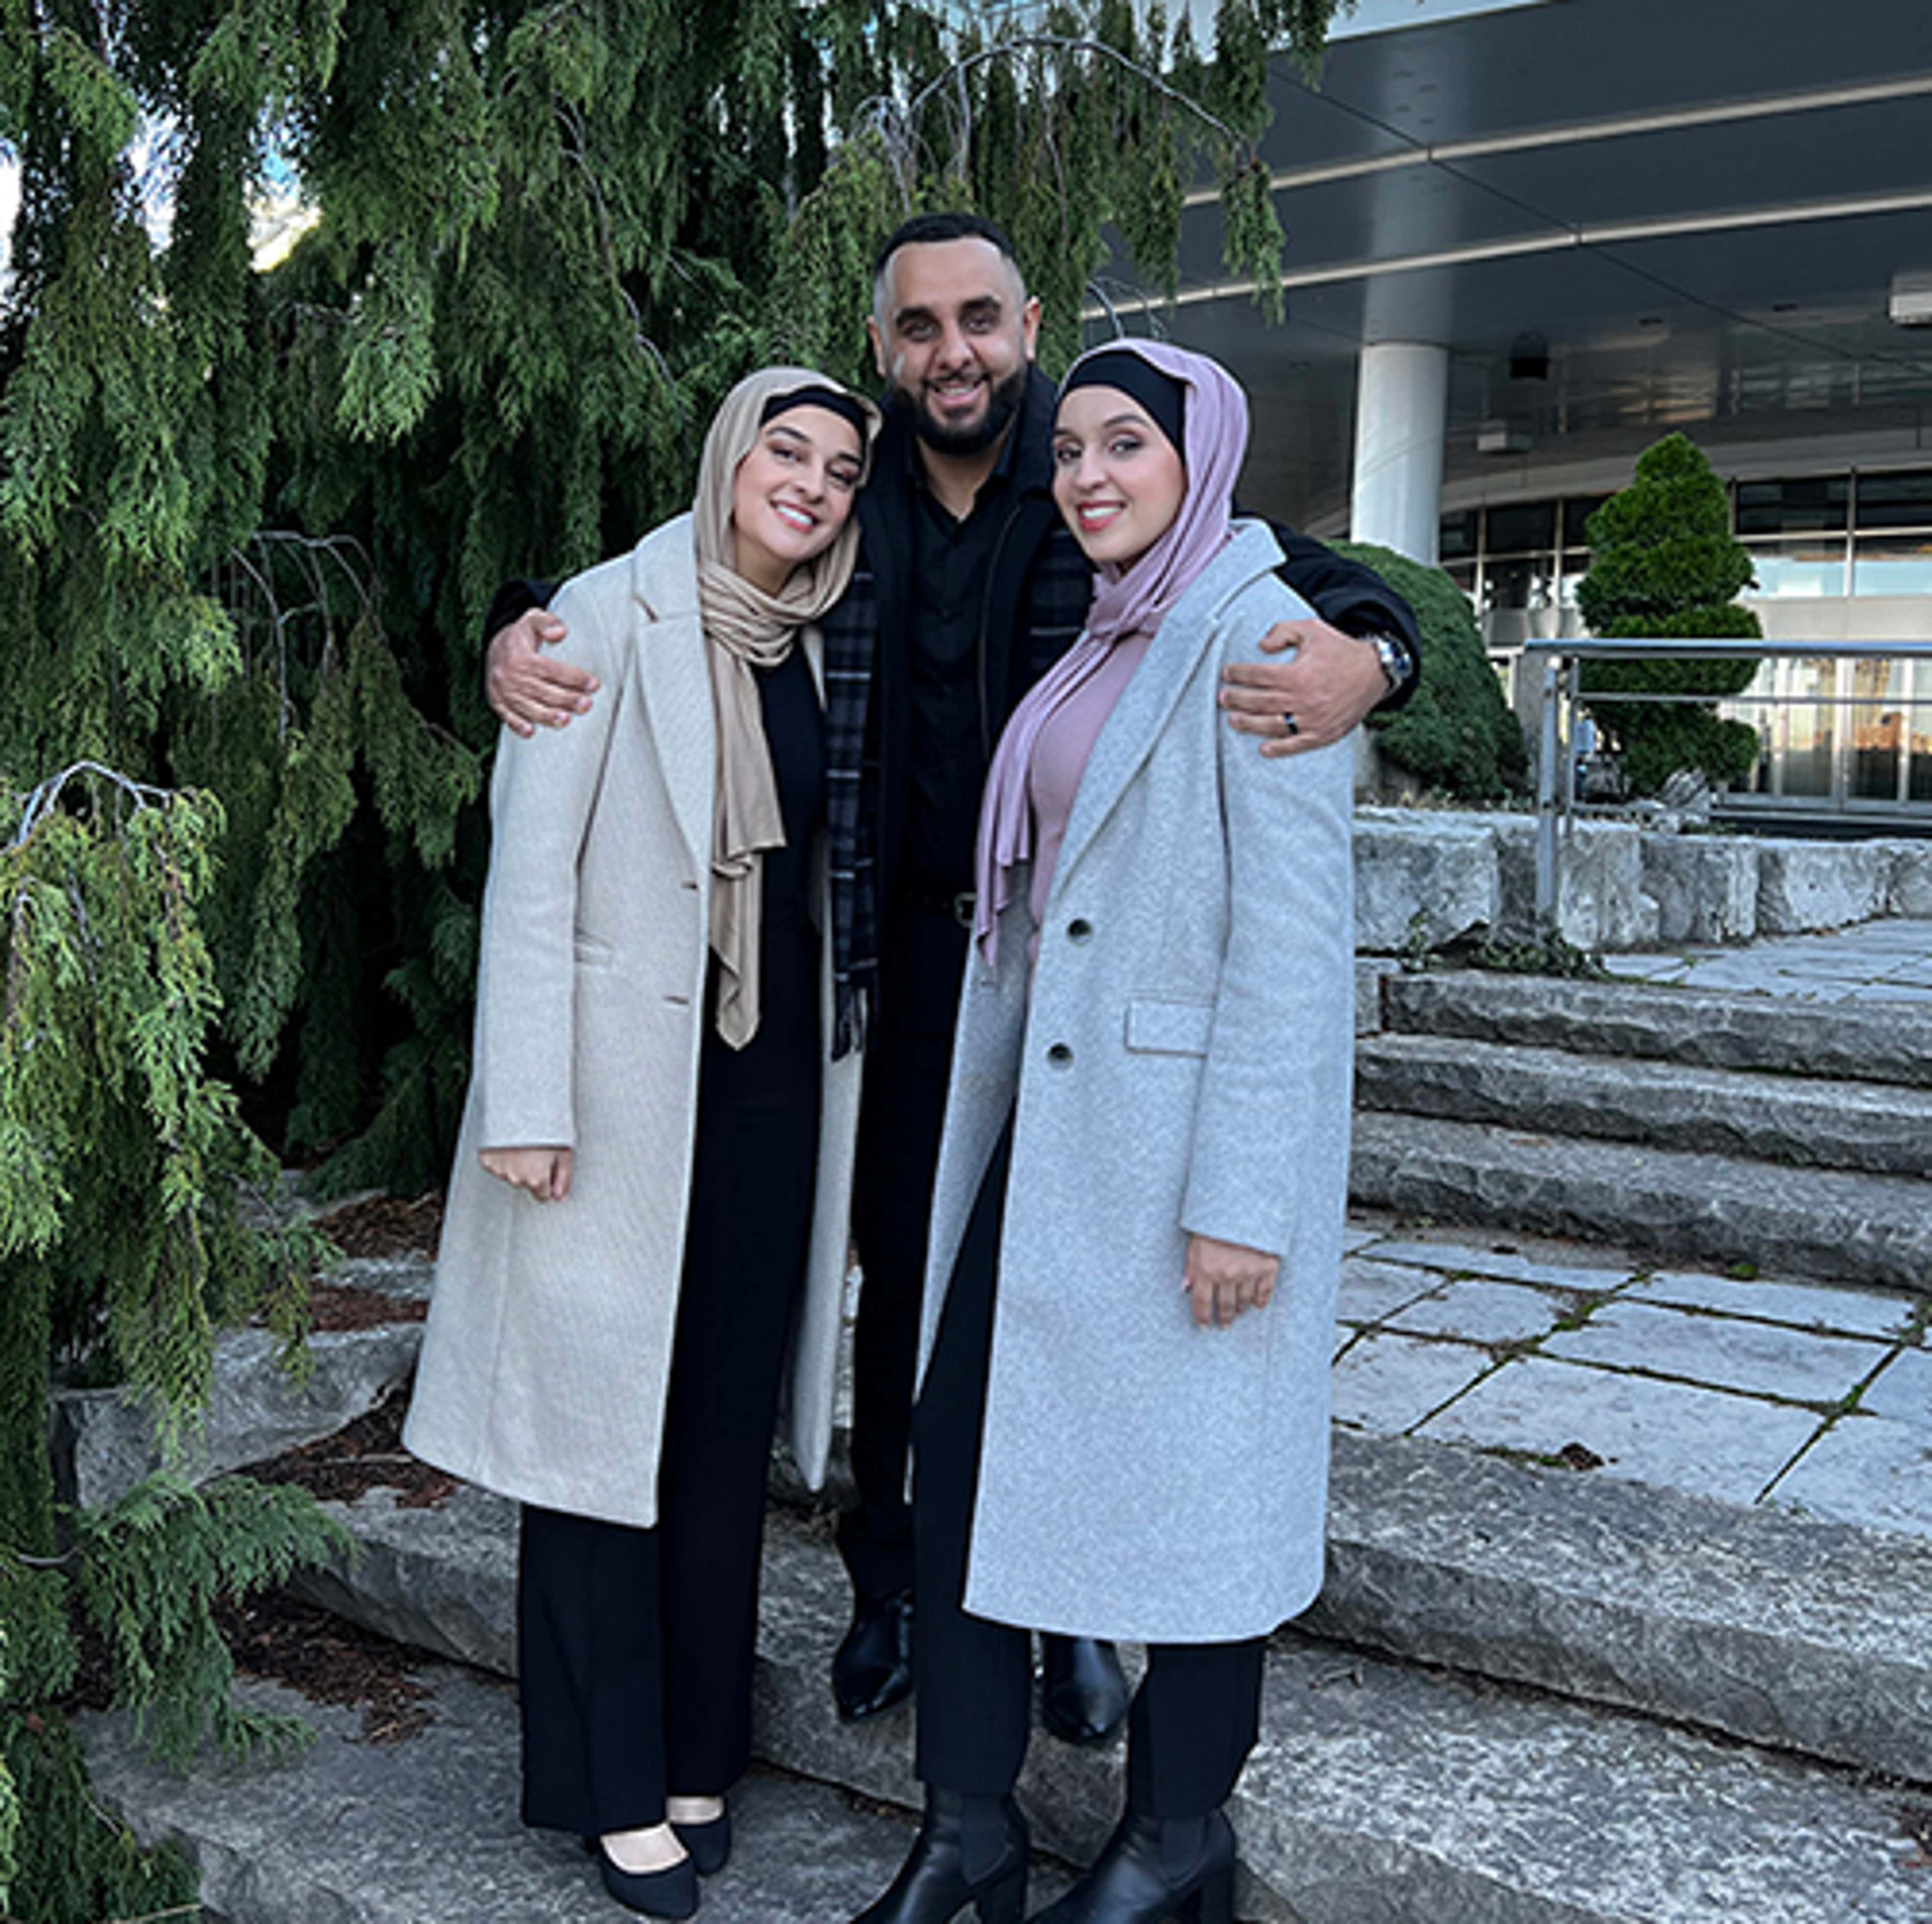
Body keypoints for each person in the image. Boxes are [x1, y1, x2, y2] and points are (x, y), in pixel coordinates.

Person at [480, 213, 1419, 1744]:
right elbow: (675, 578)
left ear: (1026, 322)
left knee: (1081, 1297)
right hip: (880, 968)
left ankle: (1071, 1620)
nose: (953, 351)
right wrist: (508, 632)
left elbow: (1305, 576)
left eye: (978, 318)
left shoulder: (1104, 471)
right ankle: (893, 1584)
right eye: (919, 327)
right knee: (905, 1283)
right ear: (884, 348)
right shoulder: (845, 498)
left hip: (1062, 975)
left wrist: (1380, 660)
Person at [849, 340, 1355, 1924]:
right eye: (1067, 450)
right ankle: (969, 1826)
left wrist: (1245, 1203)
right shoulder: (1109, 631)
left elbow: (1291, 952)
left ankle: (1177, 1833)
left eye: (1124, 444)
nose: (1085, 478)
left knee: (1205, 1487)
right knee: (962, 1445)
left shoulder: (1263, 632)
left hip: (1188, 1151)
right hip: (1048, 1131)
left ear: (1197, 456)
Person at [404, 368, 880, 1919]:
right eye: (786, 450)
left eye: (841, 467)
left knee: (718, 1432)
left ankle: (695, 1756)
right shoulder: (601, 619)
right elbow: (530, 876)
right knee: (593, 1441)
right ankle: (612, 1790)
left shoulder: (821, 638)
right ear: (731, 455)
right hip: (613, 1098)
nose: (810, 483)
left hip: (764, 1100)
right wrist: (525, 1102)